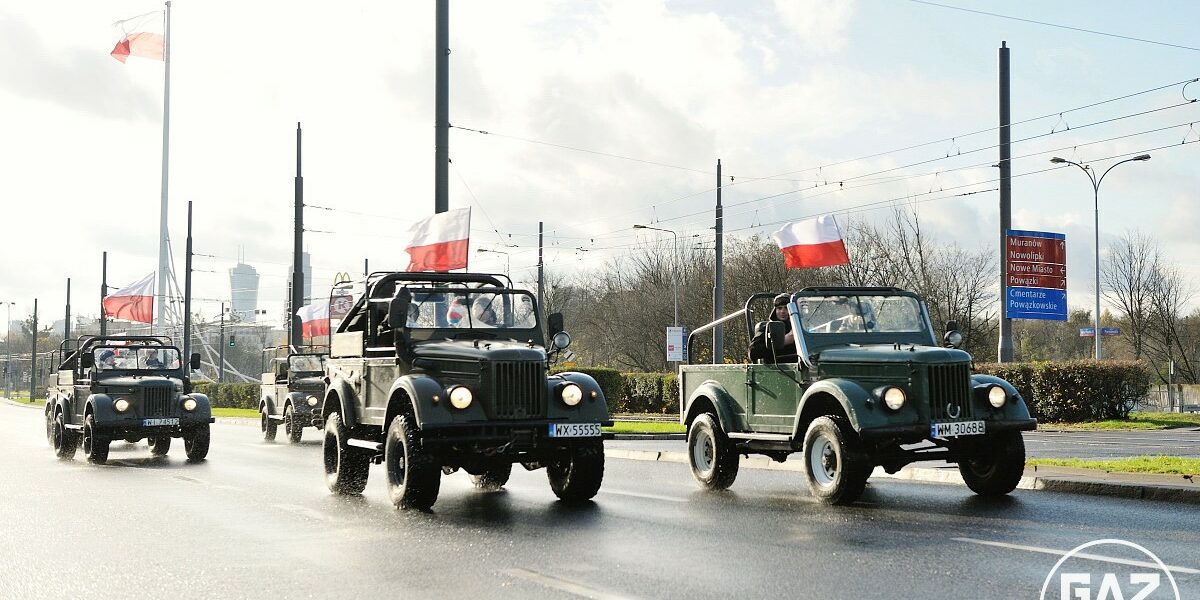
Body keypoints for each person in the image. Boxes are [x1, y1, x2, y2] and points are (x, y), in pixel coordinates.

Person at [749, 293, 795, 362]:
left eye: (786, 308)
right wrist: (783, 341)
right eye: (779, 308)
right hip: (776, 369)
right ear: (775, 310)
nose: (783, 311)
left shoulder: (800, 328)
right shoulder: (767, 328)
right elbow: (753, 352)